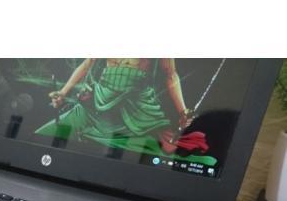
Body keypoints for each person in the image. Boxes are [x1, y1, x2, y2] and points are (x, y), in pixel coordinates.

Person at [36, 58, 211, 160]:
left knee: (161, 154)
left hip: (135, 112)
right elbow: (87, 64)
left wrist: (182, 111)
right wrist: (63, 92)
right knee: (42, 136)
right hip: (97, 103)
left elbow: (170, 74)